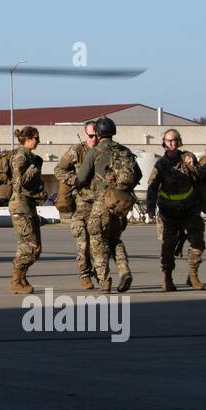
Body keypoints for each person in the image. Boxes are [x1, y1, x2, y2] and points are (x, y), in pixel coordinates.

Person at [75, 116, 139, 292]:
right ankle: (124, 270)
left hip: (102, 201)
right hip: (121, 203)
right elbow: (138, 174)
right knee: (115, 239)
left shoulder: (95, 152)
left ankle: (104, 280)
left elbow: (81, 177)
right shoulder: (125, 151)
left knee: (97, 239)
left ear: (98, 133)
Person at [145, 129, 205, 291]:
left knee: (198, 242)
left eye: (174, 140)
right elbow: (152, 187)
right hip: (168, 211)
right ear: (164, 143)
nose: (172, 143)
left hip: (189, 209)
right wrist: (150, 209)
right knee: (168, 246)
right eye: (168, 140)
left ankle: (193, 275)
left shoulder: (187, 157)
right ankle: (167, 277)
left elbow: (201, 177)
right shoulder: (161, 164)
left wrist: (193, 165)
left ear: (179, 141)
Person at [55, 120, 100, 290]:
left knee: (102, 242)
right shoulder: (77, 151)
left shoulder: (104, 150)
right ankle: (85, 275)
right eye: (91, 136)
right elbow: (59, 170)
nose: (94, 139)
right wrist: (75, 180)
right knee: (83, 242)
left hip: (101, 203)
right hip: (81, 204)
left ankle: (100, 272)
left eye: (97, 135)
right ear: (85, 134)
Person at [8, 126, 46, 295]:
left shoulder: (29, 156)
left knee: (30, 246)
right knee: (32, 246)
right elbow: (18, 183)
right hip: (20, 205)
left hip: (28, 204)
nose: (38, 141)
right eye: (36, 138)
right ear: (29, 138)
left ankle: (21, 279)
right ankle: (16, 280)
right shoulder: (20, 157)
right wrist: (33, 169)